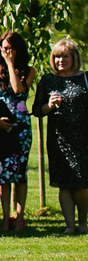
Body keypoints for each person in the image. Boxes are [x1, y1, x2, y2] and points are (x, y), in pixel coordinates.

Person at [33, 39, 88, 234]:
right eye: (57, 57)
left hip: (83, 139)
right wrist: (49, 105)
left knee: (82, 183)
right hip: (59, 138)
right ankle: (69, 226)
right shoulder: (48, 80)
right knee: (64, 183)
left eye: (65, 56)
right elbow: (37, 111)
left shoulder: (85, 78)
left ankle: (83, 223)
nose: (60, 60)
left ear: (74, 58)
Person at [0, 30, 36, 233]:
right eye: (4, 48)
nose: (7, 52)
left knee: (20, 174)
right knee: (2, 175)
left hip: (20, 128)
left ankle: (19, 217)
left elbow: (17, 90)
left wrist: (11, 64)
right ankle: (6, 218)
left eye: (11, 49)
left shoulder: (28, 71)